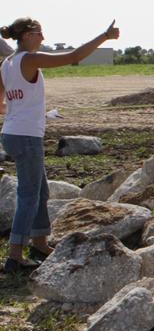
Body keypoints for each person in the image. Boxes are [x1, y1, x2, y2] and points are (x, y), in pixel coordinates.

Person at [1, 18, 120, 274]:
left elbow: (1, 102)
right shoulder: (28, 60)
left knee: (41, 191)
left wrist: (23, 111)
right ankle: (14, 256)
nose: (43, 38)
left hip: (12, 133)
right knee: (28, 196)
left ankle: (40, 243)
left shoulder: (7, 64)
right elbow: (74, 56)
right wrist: (104, 36)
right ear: (27, 35)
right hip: (26, 137)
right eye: (39, 33)